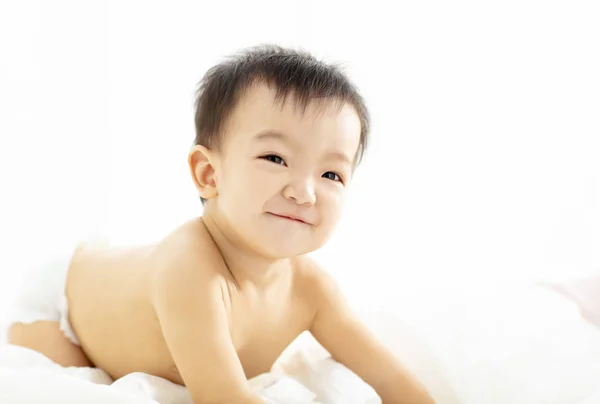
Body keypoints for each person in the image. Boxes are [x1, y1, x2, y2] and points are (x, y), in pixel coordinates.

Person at [7, 45, 435, 404]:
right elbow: (224, 397)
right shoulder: (192, 269)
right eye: (275, 159)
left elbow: (393, 381)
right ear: (209, 174)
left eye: (331, 175)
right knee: (64, 384)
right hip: (66, 308)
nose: (305, 192)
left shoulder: (312, 290)